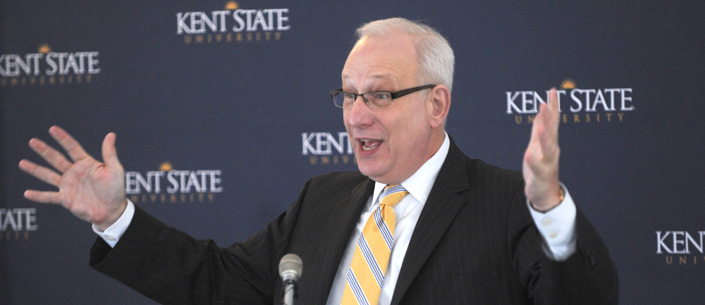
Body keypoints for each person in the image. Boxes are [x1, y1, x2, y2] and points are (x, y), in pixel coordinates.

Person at [19, 17, 618, 304]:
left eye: (380, 94)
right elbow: (225, 284)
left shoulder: (504, 203)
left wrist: (551, 211)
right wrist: (117, 217)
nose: (356, 115)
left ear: (437, 104)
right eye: (348, 94)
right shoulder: (323, 200)